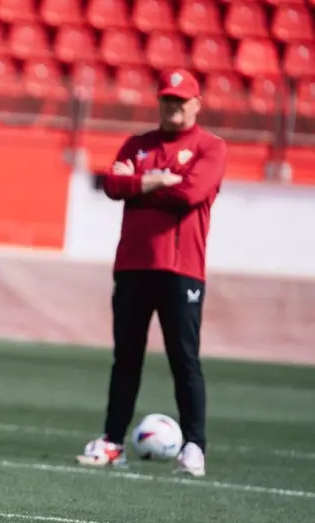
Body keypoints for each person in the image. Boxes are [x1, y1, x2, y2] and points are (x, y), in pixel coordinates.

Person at [76, 68, 227, 477]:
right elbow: (112, 184)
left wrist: (140, 184)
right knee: (125, 358)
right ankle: (112, 442)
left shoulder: (211, 147)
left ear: (196, 104)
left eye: (180, 100)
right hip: (132, 266)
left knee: (184, 359)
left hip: (181, 269)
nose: (172, 106)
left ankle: (194, 447)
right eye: (167, 99)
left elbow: (190, 193)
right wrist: (158, 180)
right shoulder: (137, 144)